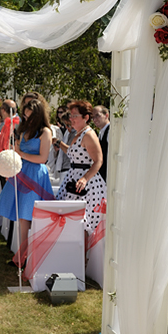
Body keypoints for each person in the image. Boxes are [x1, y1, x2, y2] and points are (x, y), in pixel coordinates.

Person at [0, 99, 54, 266]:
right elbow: (17, 149)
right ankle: (21, 255)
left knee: (29, 215)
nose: (27, 120)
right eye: (25, 116)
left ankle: (25, 255)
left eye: (30, 116)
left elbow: (43, 158)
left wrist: (20, 154)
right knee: (22, 217)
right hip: (21, 172)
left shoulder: (45, 132)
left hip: (35, 175)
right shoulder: (24, 129)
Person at [55, 100, 107, 238]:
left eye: (74, 116)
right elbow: (74, 153)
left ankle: (81, 257)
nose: (71, 119)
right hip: (73, 177)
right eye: (70, 116)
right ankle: (72, 253)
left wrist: (84, 178)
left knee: (82, 222)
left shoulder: (88, 134)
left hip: (86, 183)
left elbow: (98, 161)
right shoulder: (78, 133)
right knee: (70, 219)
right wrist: (59, 143)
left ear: (86, 118)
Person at [92, 105, 110, 181]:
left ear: (106, 115)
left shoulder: (110, 131)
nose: (95, 119)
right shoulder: (100, 132)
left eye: (97, 116)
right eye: (93, 117)